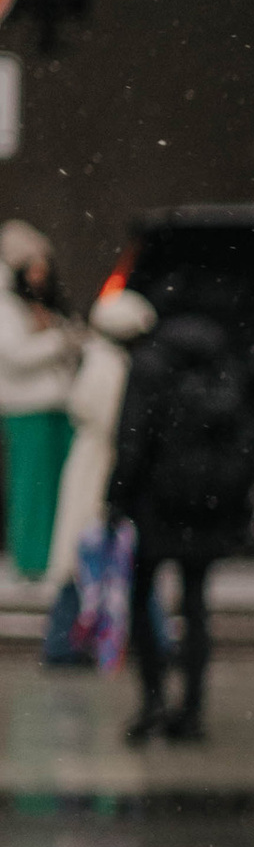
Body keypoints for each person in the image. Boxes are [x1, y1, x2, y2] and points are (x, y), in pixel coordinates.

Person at [105, 313, 254, 745]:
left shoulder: (149, 366)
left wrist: (115, 497)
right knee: (195, 605)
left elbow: (131, 439)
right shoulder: (223, 366)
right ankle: (192, 711)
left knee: (142, 599)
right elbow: (244, 440)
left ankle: (152, 702)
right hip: (207, 506)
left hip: (156, 502)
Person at [43, 280, 158, 647]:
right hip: (99, 470)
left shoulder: (100, 362)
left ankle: (70, 643)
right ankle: (70, 643)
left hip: (93, 468)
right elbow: (116, 423)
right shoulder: (111, 369)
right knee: (97, 558)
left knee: (90, 560)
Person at [1, 220, 79, 589]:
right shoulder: (5, 305)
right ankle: (31, 560)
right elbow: (14, 354)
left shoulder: (43, 305)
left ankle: (53, 556)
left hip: (57, 407)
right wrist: (58, 342)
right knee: (31, 488)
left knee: (57, 489)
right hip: (25, 408)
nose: (39, 277)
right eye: (32, 269)